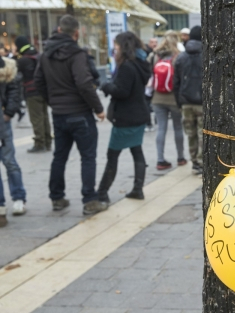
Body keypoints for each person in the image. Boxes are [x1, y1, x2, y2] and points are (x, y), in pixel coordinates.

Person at [34, 14, 107, 215]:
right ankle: (90, 201)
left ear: (59, 30)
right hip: (80, 113)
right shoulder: (77, 54)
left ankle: (57, 198)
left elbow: (38, 81)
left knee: (59, 156)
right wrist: (98, 108)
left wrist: (53, 101)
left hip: (59, 114)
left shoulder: (45, 54)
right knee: (88, 157)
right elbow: (84, 83)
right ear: (76, 33)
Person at [98, 32, 151, 203]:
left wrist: (106, 86)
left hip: (126, 118)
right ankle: (137, 189)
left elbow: (122, 91)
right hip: (139, 115)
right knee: (137, 151)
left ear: (123, 47)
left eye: (116, 46)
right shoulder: (140, 63)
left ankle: (102, 192)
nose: (115, 50)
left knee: (112, 154)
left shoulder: (127, 66)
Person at [148, 30, 186, 170]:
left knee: (161, 128)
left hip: (157, 98)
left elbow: (150, 74)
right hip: (174, 99)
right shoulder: (179, 57)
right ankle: (181, 158)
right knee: (177, 128)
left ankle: (160, 160)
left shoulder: (154, 55)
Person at [0, 55, 28, 222]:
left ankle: (18, 198)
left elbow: (14, 91)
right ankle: (1, 205)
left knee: (9, 161)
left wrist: (9, 113)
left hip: (2, 123)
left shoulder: (6, 68)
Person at [14, 36, 52, 153]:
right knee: (44, 116)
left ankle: (39, 143)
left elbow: (17, 77)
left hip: (32, 92)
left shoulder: (22, 60)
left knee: (36, 119)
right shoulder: (39, 56)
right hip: (43, 91)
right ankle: (47, 142)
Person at [174, 25, 203, 175]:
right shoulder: (207, 55)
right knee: (202, 133)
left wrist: (179, 101)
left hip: (185, 102)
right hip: (202, 103)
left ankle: (194, 162)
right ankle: (202, 161)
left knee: (190, 133)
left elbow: (176, 82)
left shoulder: (181, 57)